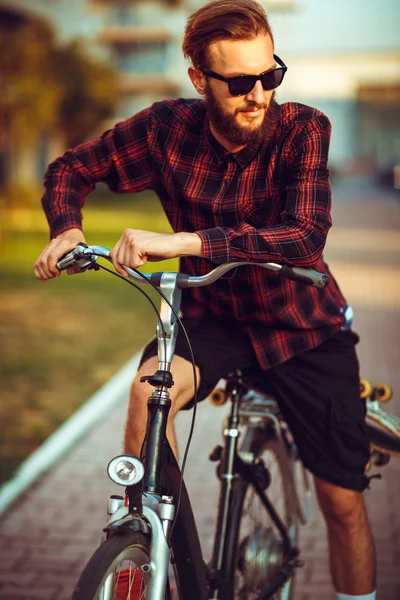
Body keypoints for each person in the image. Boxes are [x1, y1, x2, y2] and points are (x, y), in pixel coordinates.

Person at [34, 1, 376, 598]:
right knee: (146, 392)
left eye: (270, 76)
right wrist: (66, 228)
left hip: (302, 326)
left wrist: (187, 241)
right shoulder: (166, 129)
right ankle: (151, 538)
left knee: (342, 501)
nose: (259, 95)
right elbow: (70, 168)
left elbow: (303, 235)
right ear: (199, 79)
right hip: (213, 318)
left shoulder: (304, 128)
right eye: (240, 82)